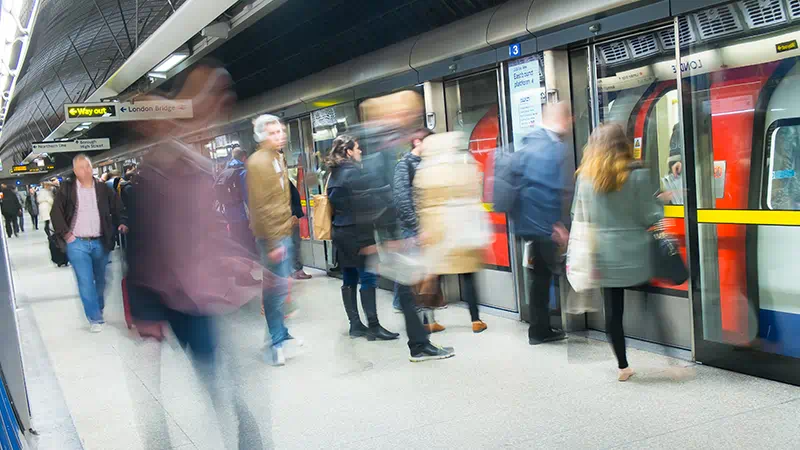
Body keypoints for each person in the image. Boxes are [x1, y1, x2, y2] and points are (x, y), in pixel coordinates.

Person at [575, 123, 663, 381]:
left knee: (613, 313)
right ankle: (670, 354)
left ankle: (623, 366)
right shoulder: (638, 174)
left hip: (604, 255)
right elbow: (651, 214)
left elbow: (578, 215)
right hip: (636, 252)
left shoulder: (585, 177)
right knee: (654, 304)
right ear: (623, 144)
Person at [495, 102, 572, 345]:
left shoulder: (531, 141)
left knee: (539, 276)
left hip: (531, 223)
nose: (570, 122)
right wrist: (555, 225)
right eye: (567, 117)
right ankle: (539, 330)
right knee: (542, 278)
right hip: (542, 225)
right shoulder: (546, 147)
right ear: (558, 119)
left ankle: (540, 327)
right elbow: (544, 190)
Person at [414, 131, 489, 334]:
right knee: (468, 276)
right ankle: (475, 320)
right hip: (462, 226)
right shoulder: (464, 164)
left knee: (434, 275)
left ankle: (428, 320)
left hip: (436, 229)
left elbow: (420, 200)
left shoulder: (426, 169)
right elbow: (477, 190)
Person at [327, 135, 399, 341]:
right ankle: (374, 326)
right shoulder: (352, 174)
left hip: (340, 232)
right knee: (368, 276)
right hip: (359, 232)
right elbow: (368, 204)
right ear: (348, 152)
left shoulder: (333, 175)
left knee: (349, 276)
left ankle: (355, 325)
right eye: (357, 148)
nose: (361, 152)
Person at [247, 114, 302, 366]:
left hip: (283, 231)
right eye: (272, 132)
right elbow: (259, 206)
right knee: (274, 290)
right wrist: (271, 244)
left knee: (280, 287)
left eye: (281, 130)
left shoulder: (277, 157)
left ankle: (279, 332)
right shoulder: (258, 163)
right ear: (261, 136)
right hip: (273, 237)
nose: (280, 135)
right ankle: (276, 340)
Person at [51, 154, 126, 332]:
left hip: (101, 241)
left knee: (101, 280)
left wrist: (122, 222)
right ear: (75, 171)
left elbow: (118, 208)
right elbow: (56, 213)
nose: (86, 170)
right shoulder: (67, 189)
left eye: (88, 166)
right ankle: (94, 318)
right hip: (77, 243)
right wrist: (67, 235)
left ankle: (97, 307)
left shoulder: (104, 189)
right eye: (81, 167)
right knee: (85, 280)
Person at [391, 128, 431, 313]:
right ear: (417, 142)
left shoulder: (427, 164)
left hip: (426, 223)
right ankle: (402, 301)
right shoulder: (404, 164)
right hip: (411, 225)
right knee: (409, 264)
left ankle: (414, 300)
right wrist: (415, 225)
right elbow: (402, 198)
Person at [215, 146, 256, 254]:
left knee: (238, 246)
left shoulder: (225, 172)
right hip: (243, 216)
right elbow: (247, 195)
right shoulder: (242, 172)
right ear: (243, 158)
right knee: (250, 247)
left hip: (229, 216)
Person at [289, 180, 311, 280]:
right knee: (294, 243)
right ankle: (297, 270)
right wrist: (294, 214)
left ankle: (294, 270)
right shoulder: (276, 179)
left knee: (293, 243)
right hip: (289, 216)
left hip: (290, 215)